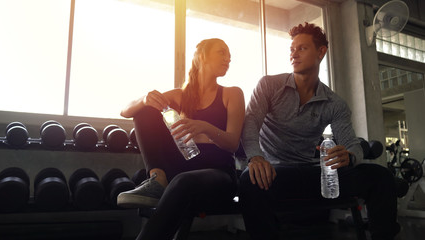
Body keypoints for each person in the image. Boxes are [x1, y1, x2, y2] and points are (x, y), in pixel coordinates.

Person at [239, 22, 399, 240]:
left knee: (380, 176)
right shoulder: (269, 85)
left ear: (321, 52)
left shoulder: (335, 103)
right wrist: (255, 157)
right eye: (292, 49)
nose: (294, 54)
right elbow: (250, 124)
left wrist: (350, 156)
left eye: (302, 48)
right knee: (250, 179)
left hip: (312, 173)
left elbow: (351, 143)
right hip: (275, 173)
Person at [117, 38, 245, 240]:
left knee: (182, 182)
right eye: (222, 52)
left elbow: (232, 143)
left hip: (219, 173)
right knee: (145, 110)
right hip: (181, 169)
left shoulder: (232, 94)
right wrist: (144, 99)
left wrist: (205, 127)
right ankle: (157, 177)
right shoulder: (179, 95)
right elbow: (126, 111)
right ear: (202, 56)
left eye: (229, 55)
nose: (228, 58)